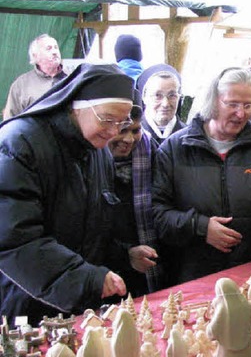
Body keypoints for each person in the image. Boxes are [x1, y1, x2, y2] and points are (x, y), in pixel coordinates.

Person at [0, 63, 134, 326]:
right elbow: (14, 239)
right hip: (24, 301)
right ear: (76, 105)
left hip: (78, 302)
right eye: (107, 119)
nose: (114, 132)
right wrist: (87, 279)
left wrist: (124, 255)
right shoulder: (18, 144)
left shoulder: (97, 150)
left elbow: (94, 224)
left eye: (122, 122)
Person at [152, 67, 251, 286]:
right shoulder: (175, 149)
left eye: (247, 105)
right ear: (213, 101)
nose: (241, 113)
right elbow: (158, 213)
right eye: (232, 104)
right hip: (194, 277)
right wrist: (200, 227)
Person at [107, 94, 164, 297]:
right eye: (123, 131)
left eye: (136, 130)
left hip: (147, 260)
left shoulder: (151, 151)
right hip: (106, 266)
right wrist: (124, 255)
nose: (129, 139)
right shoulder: (89, 160)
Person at [3, 34, 67, 119]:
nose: (55, 52)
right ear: (35, 56)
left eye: (56, 47)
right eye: (49, 48)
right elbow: (10, 120)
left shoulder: (73, 78)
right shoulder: (21, 85)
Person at [136, 63, 186, 145]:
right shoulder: (131, 137)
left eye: (172, 95)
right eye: (157, 95)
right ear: (144, 97)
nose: (165, 104)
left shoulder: (190, 137)